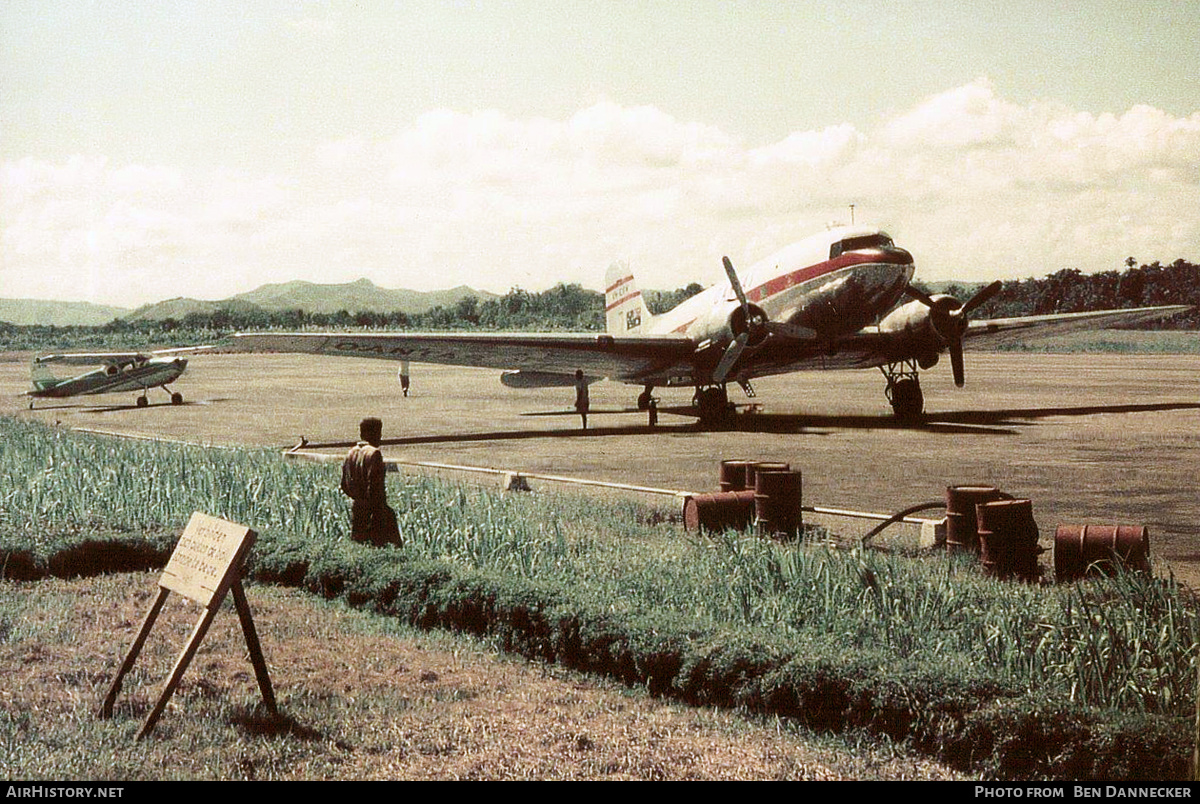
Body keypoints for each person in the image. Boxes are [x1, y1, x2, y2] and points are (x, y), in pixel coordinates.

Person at [340, 417, 402, 547]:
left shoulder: (351, 453)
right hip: (374, 509)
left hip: (358, 507)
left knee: (359, 545)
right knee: (387, 546)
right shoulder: (374, 454)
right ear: (370, 434)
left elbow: (344, 485)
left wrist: (358, 498)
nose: (380, 436)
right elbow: (374, 486)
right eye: (378, 432)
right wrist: (379, 510)